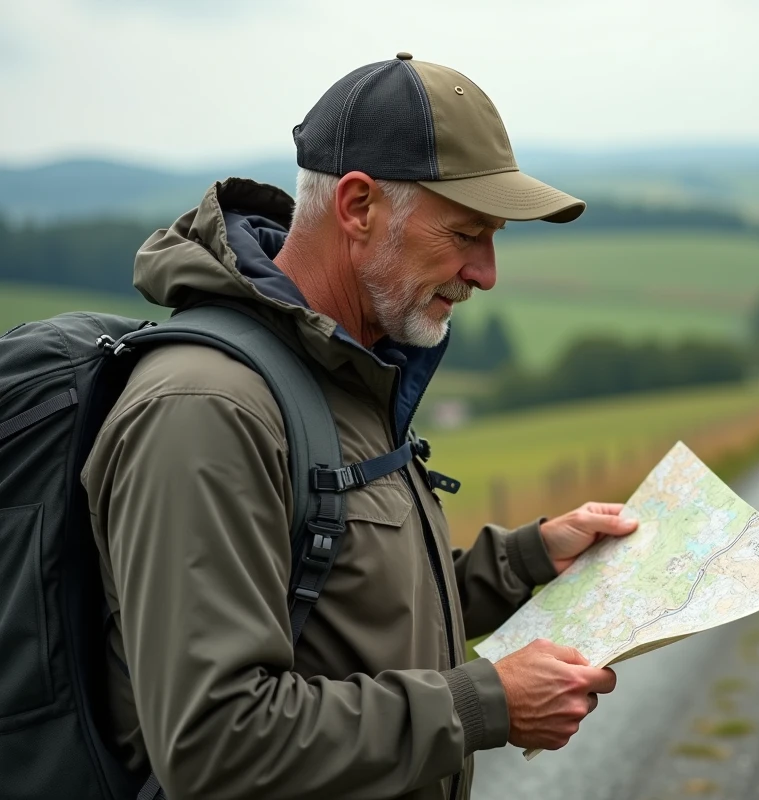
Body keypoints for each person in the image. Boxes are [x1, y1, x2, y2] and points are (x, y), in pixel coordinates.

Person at [81, 52, 638, 800]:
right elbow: (215, 742)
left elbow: (351, 607)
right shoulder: (206, 410)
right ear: (357, 206)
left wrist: (526, 561)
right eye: (468, 234)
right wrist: (486, 703)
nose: (487, 273)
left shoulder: (348, 370)